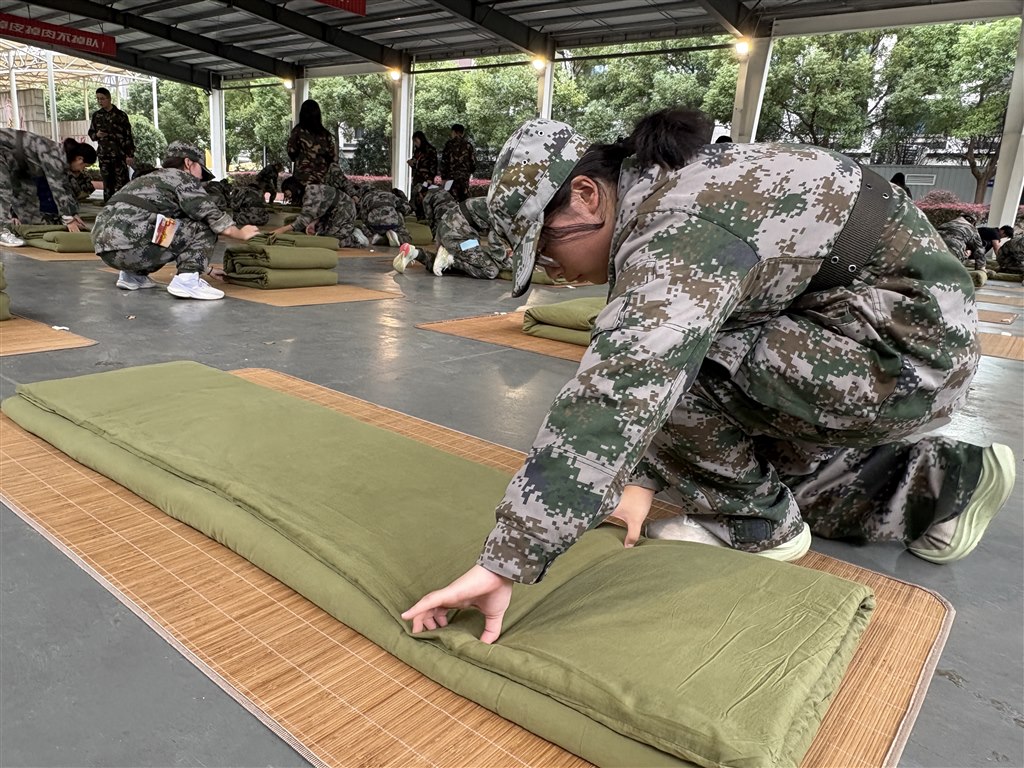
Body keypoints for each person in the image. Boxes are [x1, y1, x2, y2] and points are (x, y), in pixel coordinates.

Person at [402, 110, 1015, 644]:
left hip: (904, 360)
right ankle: (946, 482)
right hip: (889, 344)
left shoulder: (680, 226)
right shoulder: (676, 187)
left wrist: (506, 561)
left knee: (670, 364)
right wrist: (643, 478)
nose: (554, 272)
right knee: (741, 454)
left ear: (587, 194)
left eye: (546, 248)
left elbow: (622, 388)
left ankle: (756, 528)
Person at [92, 141, 260, 300]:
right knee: (203, 226)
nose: (201, 178)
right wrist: (240, 233)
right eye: (200, 170)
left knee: (167, 225)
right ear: (188, 163)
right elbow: (212, 216)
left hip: (105, 249)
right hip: (132, 244)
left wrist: (207, 269)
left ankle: (132, 276)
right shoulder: (182, 178)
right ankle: (187, 281)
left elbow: (174, 235)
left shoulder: (149, 178)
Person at [0, 128, 93, 246]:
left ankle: (28, 227)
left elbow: (65, 187)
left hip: (17, 163)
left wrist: (73, 213)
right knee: (3, 190)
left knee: (29, 193)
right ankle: (1, 231)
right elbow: (57, 187)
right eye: (84, 166)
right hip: (3, 152)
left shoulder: (61, 159)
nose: (82, 170)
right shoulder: (56, 155)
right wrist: (69, 219)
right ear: (79, 159)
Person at [394, 194, 511, 278]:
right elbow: (496, 245)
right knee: (491, 270)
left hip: (449, 228)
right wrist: (509, 263)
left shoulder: (503, 204)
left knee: (472, 256)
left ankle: (415, 253)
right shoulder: (507, 213)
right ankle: (450, 260)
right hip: (458, 234)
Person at [271, 163, 369, 248]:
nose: (287, 196)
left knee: (331, 241)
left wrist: (281, 230)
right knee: (321, 235)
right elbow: (319, 210)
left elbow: (303, 220)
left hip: (344, 209)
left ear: (293, 188)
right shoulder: (308, 193)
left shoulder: (310, 192)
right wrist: (313, 223)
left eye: (287, 192)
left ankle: (355, 238)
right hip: (333, 212)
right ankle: (348, 232)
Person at [88, 87, 135, 201]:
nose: (100, 101)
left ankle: (123, 206)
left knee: (122, 184)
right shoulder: (97, 115)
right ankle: (108, 207)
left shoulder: (121, 115)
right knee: (107, 185)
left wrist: (130, 155)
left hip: (119, 156)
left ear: (109, 98)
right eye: (98, 99)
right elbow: (91, 133)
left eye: (102, 98)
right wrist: (97, 135)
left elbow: (128, 136)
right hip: (104, 156)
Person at [286, 100, 337, 186]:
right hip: (322, 179)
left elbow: (291, 151)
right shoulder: (325, 134)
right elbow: (332, 156)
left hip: (302, 179)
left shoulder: (298, 131)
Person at [439, 123, 476, 202]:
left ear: (454, 132)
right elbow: (473, 162)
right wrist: (469, 172)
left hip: (451, 178)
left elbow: (444, 162)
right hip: (464, 178)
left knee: (452, 200)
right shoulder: (468, 145)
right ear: (462, 133)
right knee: (464, 200)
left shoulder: (449, 144)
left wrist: (443, 177)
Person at [407, 130, 438, 218]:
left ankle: (426, 216)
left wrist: (430, 178)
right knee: (416, 196)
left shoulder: (431, 150)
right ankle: (419, 215)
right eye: (414, 142)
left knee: (424, 196)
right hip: (417, 177)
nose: (415, 144)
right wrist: (412, 163)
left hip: (426, 178)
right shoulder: (417, 151)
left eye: (416, 141)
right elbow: (415, 164)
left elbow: (434, 165)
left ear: (421, 139)